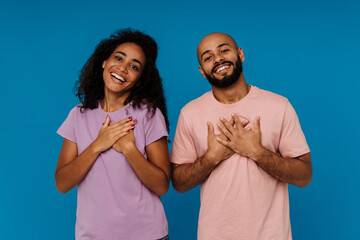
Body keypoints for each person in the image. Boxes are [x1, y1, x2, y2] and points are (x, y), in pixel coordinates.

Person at [170, 32, 312, 240]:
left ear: (240, 54)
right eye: (208, 57)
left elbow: (304, 176)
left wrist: (257, 153)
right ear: (202, 71)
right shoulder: (190, 113)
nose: (218, 59)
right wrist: (212, 157)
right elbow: (179, 184)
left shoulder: (279, 106)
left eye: (224, 50)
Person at [55, 29, 170, 240]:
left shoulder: (149, 114)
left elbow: (162, 185)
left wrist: (128, 149)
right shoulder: (77, 116)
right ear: (104, 62)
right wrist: (98, 144)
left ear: (139, 79)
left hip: (146, 234)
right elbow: (62, 183)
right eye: (118, 58)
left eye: (134, 66)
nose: (123, 68)